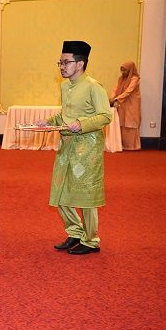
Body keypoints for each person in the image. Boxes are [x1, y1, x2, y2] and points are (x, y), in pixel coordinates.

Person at [37, 40, 112, 255]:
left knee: (86, 196)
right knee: (60, 191)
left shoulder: (94, 86)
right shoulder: (64, 86)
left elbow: (105, 116)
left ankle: (91, 240)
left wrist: (82, 123)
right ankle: (75, 232)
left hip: (87, 148)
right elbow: (65, 115)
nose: (61, 67)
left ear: (80, 64)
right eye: (60, 62)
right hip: (67, 146)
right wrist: (48, 122)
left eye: (65, 62)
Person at [110, 61, 141, 150]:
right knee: (121, 123)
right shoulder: (121, 79)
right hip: (122, 103)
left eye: (125, 70)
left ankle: (132, 146)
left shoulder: (135, 78)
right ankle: (122, 145)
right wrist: (112, 98)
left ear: (130, 70)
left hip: (132, 104)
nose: (123, 72)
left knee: (130, 123)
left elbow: (128, 91)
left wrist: (116, 99)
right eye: (122, 70)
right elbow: (115, 89)